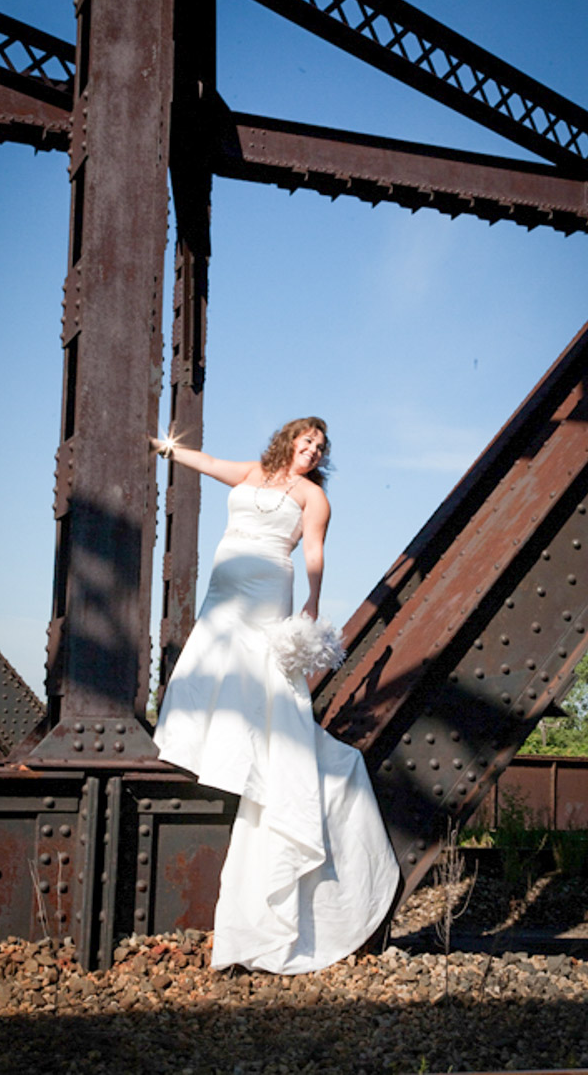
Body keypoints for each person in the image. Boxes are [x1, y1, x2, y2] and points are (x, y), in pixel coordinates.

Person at [150, 417, 399, 973]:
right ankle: (208, 737)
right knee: (215, 652)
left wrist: (311, 601)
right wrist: (167, 449)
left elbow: (313, 550)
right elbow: (210, 465)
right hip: (225, 584)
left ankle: (257, 745)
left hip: (268, 583)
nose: (310, 451)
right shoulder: (253, 472)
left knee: (259, 664)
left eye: (319, 447)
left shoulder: (313, 497)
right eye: (304, 441)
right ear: (288, 440)